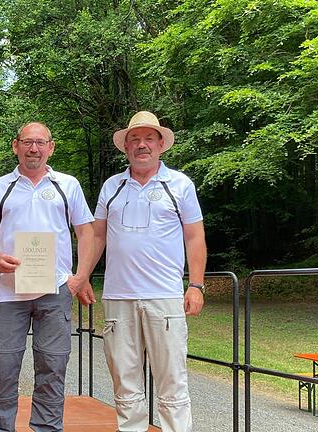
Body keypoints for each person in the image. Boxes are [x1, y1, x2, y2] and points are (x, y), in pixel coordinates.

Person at [0, 122, 98, 432]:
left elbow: (86, 232)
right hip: (9, 291)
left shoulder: (67, 184)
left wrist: (80, 277)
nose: (34, 148)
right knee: (2, 364)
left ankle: (46, 428)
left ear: (51, 147)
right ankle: (0, 428)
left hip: (55, 289)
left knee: (52, 365)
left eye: (41, 142)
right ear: (15, 146)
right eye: (28, 142)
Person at [90, 111, 207, 432]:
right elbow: (97, 235)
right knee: (124, 382)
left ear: (160, 144)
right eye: (135, 139)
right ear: (125, 146)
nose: (142, 145)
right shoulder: (112, 187)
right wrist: (82, 275)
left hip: (165, 297)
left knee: (172, 381)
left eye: (148, 138)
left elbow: (194, 236)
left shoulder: (180, 184)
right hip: (118, 298)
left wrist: (196, 285)